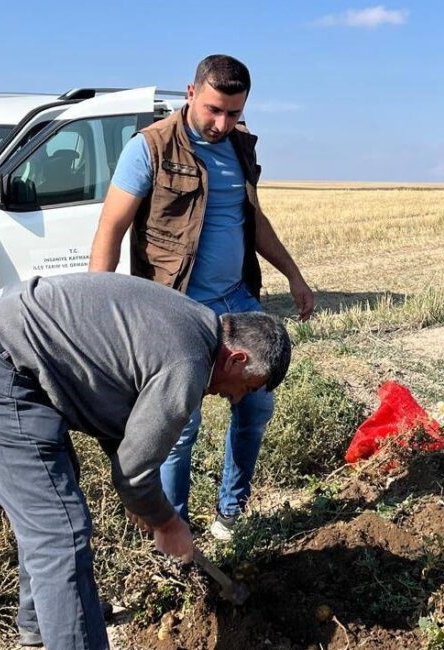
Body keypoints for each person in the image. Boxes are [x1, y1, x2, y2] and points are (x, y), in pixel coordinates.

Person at [0, 272, 291, 649]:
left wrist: (145, 502)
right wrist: (167, 522)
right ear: (237, 358)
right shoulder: (188, 362)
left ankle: (43, 622)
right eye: (248, 388)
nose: (236, 398)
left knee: (51, 504)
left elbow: (118, 412)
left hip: (2, 349)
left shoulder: (194, 324)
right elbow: (133, 472)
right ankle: (69, 633)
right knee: (59, 528)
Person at [89, 54, 313, 540]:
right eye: (213, 109)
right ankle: (175, 533)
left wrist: (293, 274)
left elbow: (253, 223)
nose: (221, 123)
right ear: (190, 93)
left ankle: (230, 514)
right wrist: (98, 311)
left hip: (237, 299)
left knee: (257, 404)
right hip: (176, 305)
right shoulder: (149, 148)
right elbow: (110, 228)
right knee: (178, 428)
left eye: (233, 113)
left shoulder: (239, 147)